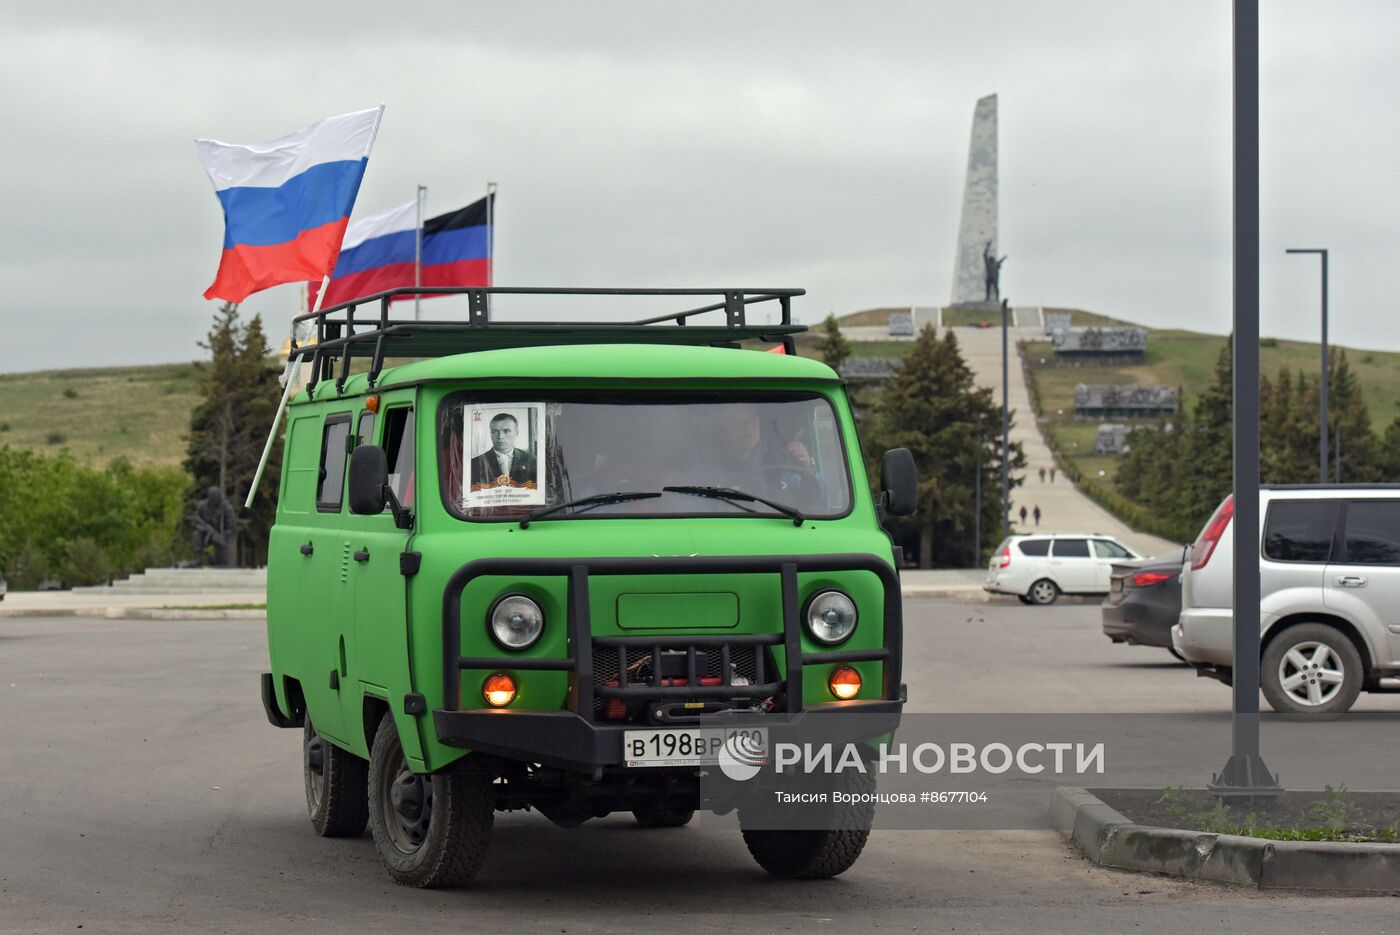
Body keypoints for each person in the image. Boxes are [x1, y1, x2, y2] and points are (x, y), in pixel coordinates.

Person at [469, 413, 537, 489]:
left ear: (516, 434)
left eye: (506, 431)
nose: (500, 437)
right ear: (491, 434)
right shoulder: (474, 463)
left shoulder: (532, 460)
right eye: (495, 432)